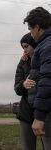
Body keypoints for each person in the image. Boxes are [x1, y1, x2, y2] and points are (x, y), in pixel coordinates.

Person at [24, 7, 51, 150]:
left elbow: (48, 81)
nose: (31, 33)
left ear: (38, 27)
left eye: (30, 29)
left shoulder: (47, 46)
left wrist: (39, 117)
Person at [14, 33, 37, 150]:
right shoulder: (22, 63)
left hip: (44, 109)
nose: (24, 50)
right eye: (23, 47)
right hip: (26, 112)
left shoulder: (45, 59)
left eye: (26, 46)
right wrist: (23, 84)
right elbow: (17, 89)